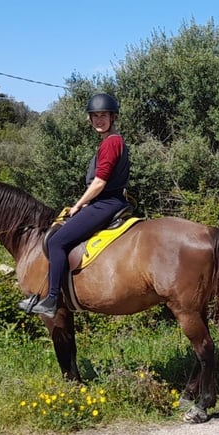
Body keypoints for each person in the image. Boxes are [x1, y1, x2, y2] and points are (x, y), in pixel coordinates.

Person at [19, 93, 130, 318]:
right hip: (107, 201)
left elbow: (99, 182)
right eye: (95, 116)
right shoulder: (112, 141)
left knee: (58, 241)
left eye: (103, 115)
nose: (99, 120)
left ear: (113, 117)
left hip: (105, 202)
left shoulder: (111, 143)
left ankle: (51, 299)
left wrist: (79, 204)